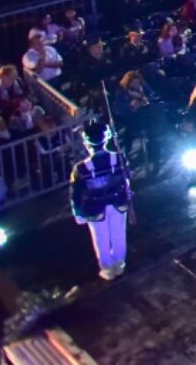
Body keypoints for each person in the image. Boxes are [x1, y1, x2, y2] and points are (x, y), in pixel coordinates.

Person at [69, 120, 132, 280]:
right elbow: (127, 178)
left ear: (86, 143)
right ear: (107, 138)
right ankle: (119, 264)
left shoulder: (80, 168)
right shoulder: (119, 158)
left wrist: (78, 213)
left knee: (101, 240)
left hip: (95, 207)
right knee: (119, 235)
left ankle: (108, 270)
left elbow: (76, 193)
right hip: (118, 203)